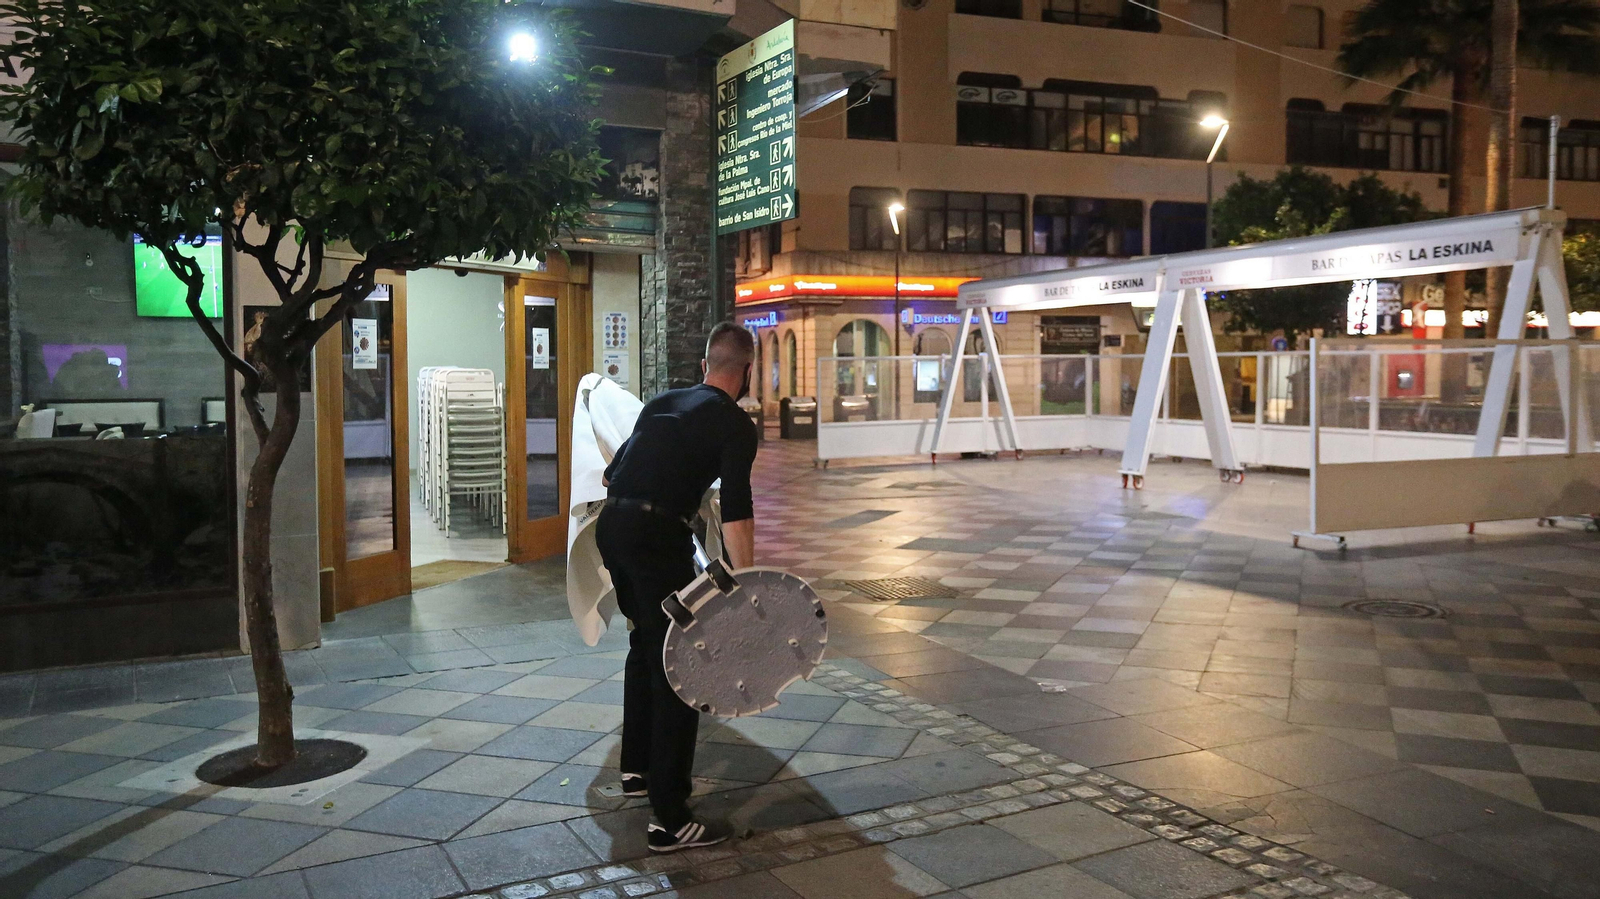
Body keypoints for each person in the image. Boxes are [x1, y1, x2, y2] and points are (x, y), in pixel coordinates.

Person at [595, 322, 759, 853]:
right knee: (681, 663)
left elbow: (610, 474)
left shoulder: (663, 402)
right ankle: (669, 817)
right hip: (656, 535)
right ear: (748, 371)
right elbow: (736, 509)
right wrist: (748, 581)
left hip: (613, 527)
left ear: (704, 365)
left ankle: (636, 770)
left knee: (646, 644)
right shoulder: (735, 424)